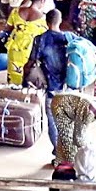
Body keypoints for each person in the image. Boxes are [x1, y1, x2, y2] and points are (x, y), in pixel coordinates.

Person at [26, 9, 69, 155]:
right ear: (60, 20)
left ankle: (59, 152)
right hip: (69, 87)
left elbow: (31, 62)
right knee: (68, 120)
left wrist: (24, 81)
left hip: (51, 89)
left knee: (52, 121)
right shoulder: (68, 38)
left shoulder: (40, 40)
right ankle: (68, 151)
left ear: (46, 22)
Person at [51, 92, 96, 167]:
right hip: (60, 106)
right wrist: (92, 154)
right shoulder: (89, 111)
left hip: (71, 104)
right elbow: (78, 137)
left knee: (71, 140)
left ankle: (59, 161)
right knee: (67, 139)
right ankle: (68, 167)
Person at [4, 0, 49, 86]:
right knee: (28, 79)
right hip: (29, 52)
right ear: (43, 1)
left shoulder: (16, 12)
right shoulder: (43, 20)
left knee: (13, 77)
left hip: (14, 49)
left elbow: (8, 28)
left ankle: (11, 94)